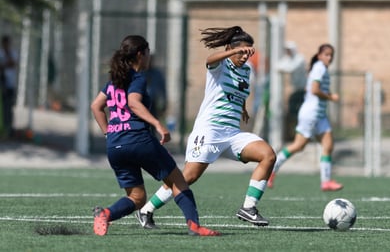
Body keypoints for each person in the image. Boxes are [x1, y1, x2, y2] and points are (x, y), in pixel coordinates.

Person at [136, 26, 276, 228]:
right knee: (188, 177)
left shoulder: (246, 70)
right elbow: (209, 60)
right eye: (241, 51)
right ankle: (146, 210)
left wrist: (242, 107)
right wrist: (233, 52)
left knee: (268, 155)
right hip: (209, 130)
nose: (245, 56)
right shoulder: (222, 64)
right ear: (231, 49)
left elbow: (238, 89)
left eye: (248, 52)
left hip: (232, 133)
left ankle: (248, 208)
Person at [90, 35, 220, 236]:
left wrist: (109, 132)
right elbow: (134, 102)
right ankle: (194, 225)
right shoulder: (138, 77)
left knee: (137, 198)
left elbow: (96, 106)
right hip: (138, 139)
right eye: (148, 52)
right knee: (177, 181)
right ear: (141, 54)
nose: (150, 57)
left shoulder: (113, 81)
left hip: (115, 145)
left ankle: (105, 214)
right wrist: (158, 124)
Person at [267, 43, 343, 191]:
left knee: (328, 145)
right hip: (311, 113)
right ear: (320, 55)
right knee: (298, 146)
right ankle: (270, 171)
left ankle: (326, 181)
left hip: (320, 115)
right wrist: (330, 97)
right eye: (326, 55)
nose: (329, 58)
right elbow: (315, 90)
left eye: (331, 55)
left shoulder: (321, 68)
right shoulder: (320, 67)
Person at [277, 41, 307, 139]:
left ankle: (303, 135)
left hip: (302, 91)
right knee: (292, 113)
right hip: (295, 91)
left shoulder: (300, 58)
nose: (287, 52)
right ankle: (293, 134)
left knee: (301, 114)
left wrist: (280, 68)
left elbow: (290, 68)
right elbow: (279, 65)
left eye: (289, 50)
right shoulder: (289, 59)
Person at [0, 35, 18, 138]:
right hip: (2, 84)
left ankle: (9, 129)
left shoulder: (13, 53)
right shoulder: (0, 53)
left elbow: (13, 63)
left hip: (10, 84)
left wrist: (5, 63)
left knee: (9, 107)